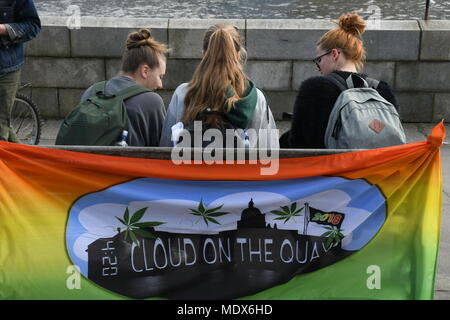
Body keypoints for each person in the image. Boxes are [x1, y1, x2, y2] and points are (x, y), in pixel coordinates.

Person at [280, 12, 400, 149]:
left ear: (334, 54)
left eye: (318, 60)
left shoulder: (315, 88)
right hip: (378, 167)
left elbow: (299, 143)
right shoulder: (382, 89)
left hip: (335, 168)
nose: (318, 67)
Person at [159, 23, 278, 149]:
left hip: (192, 167)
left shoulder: (183, 93)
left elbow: (166, 147)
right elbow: (271, 149)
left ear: (204, 54)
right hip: (240, 168)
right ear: (238, 56)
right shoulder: (256, 98)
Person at [80, 28, 168, 146]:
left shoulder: (92, 91)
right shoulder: (152, 101)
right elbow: (162, 150)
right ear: (145, 71)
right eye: (160, 76)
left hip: (86, 163)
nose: (160, 85)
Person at [0, 0, 41, 142]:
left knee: (1, 128)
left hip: (5, 69)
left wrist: (3, 29)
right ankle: (25, 160)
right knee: (4, 125)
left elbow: (33, 26)